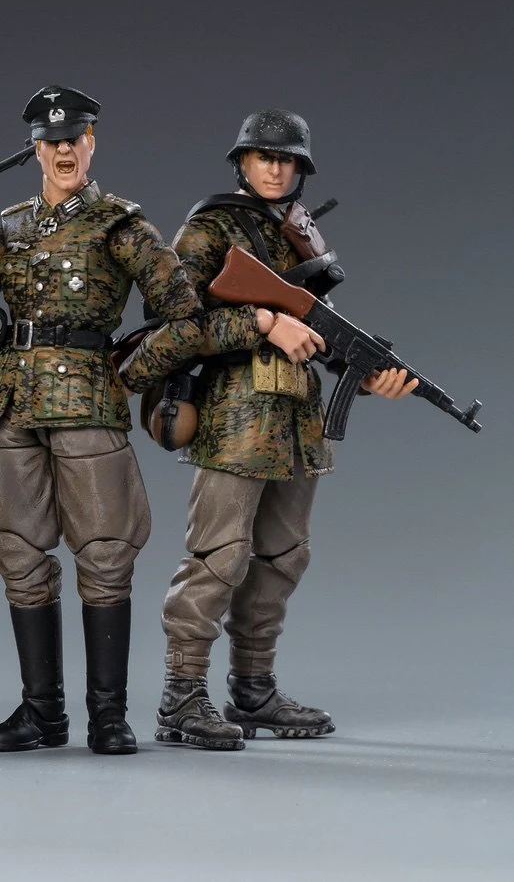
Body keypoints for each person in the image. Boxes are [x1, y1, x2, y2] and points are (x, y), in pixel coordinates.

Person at [0, 85, 203, 755]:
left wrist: (127, 373)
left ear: (91, 142)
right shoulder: (14, 227)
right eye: (50, 142)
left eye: (74, 139)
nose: (64, 151)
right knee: (18, 552)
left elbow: (186, 314)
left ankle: (108, 715)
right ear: (35, 151)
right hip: (13, 407)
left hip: (87, 405)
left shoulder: (118, 224)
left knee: (105, 552)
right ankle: (42, 712)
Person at [155, 109, 416, 751]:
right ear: (242, 162)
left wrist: (368, 373)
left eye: (287, 159)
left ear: (301, 169)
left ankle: (253, 688)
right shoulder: (208, 228)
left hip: (298, 422)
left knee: (282, 556)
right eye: (264, 156)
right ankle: (182, 695)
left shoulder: (301, 234)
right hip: (234, 421)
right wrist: (264, 324)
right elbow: (177, 327)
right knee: (218, 556)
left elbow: (321, 332)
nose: (275, 168)